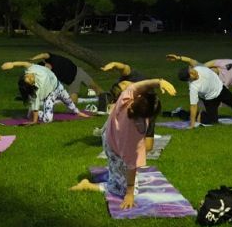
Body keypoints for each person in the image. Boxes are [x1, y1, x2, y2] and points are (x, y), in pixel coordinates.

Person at [70, 79, 176, 209]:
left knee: (118, 170)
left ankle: (114, 173)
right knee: (124, 189)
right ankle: (87, 185)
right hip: (113, 147)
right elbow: (132, 165)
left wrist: (158, 82)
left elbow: (137, 86)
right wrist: (130, 193)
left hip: (109, 136)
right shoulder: (134, 134)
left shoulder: (125, 99)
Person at [166, 54, 232, 128]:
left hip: (221, 89)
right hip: (209, 99)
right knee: (213, 121)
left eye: (191, 69)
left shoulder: (198, 68)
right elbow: (193, 106)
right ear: (189, 78)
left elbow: (191, 60)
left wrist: (178, 58)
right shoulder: (194, 87)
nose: (194, 71)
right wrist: (192, 124)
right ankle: (181, 113)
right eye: (191, 72)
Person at [0, 61, 90, 124]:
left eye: (28, 76)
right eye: (30, 80)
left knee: (68, 101)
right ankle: (32, 113)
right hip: (50, 94)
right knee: (47, 120)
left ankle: (77, 112)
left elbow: (24, 63)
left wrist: (12, 64)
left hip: (58, 86)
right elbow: (36, 106)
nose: (31, 76)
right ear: (31, 85)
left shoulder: (30, 69)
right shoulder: (36, 91)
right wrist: (34, 120)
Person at [101, 61, 156, 155]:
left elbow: (124, 68)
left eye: (124, 82)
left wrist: (114, 64)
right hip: (131, 114)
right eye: (124, 86)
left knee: (146, 144)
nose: (125, 82)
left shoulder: (134, 78)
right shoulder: (127, 104)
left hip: (146, 108)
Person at [28, 52, 103, 103]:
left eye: (46, 67)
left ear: (46, 63)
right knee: (74, 101)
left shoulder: (52, 58)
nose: (47, 69)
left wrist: (33, 58)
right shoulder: (50, 74)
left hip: (78, 71)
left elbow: (44, 54)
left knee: (94, 86)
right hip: (73, 81)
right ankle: (73, 112)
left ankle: (106, 98)